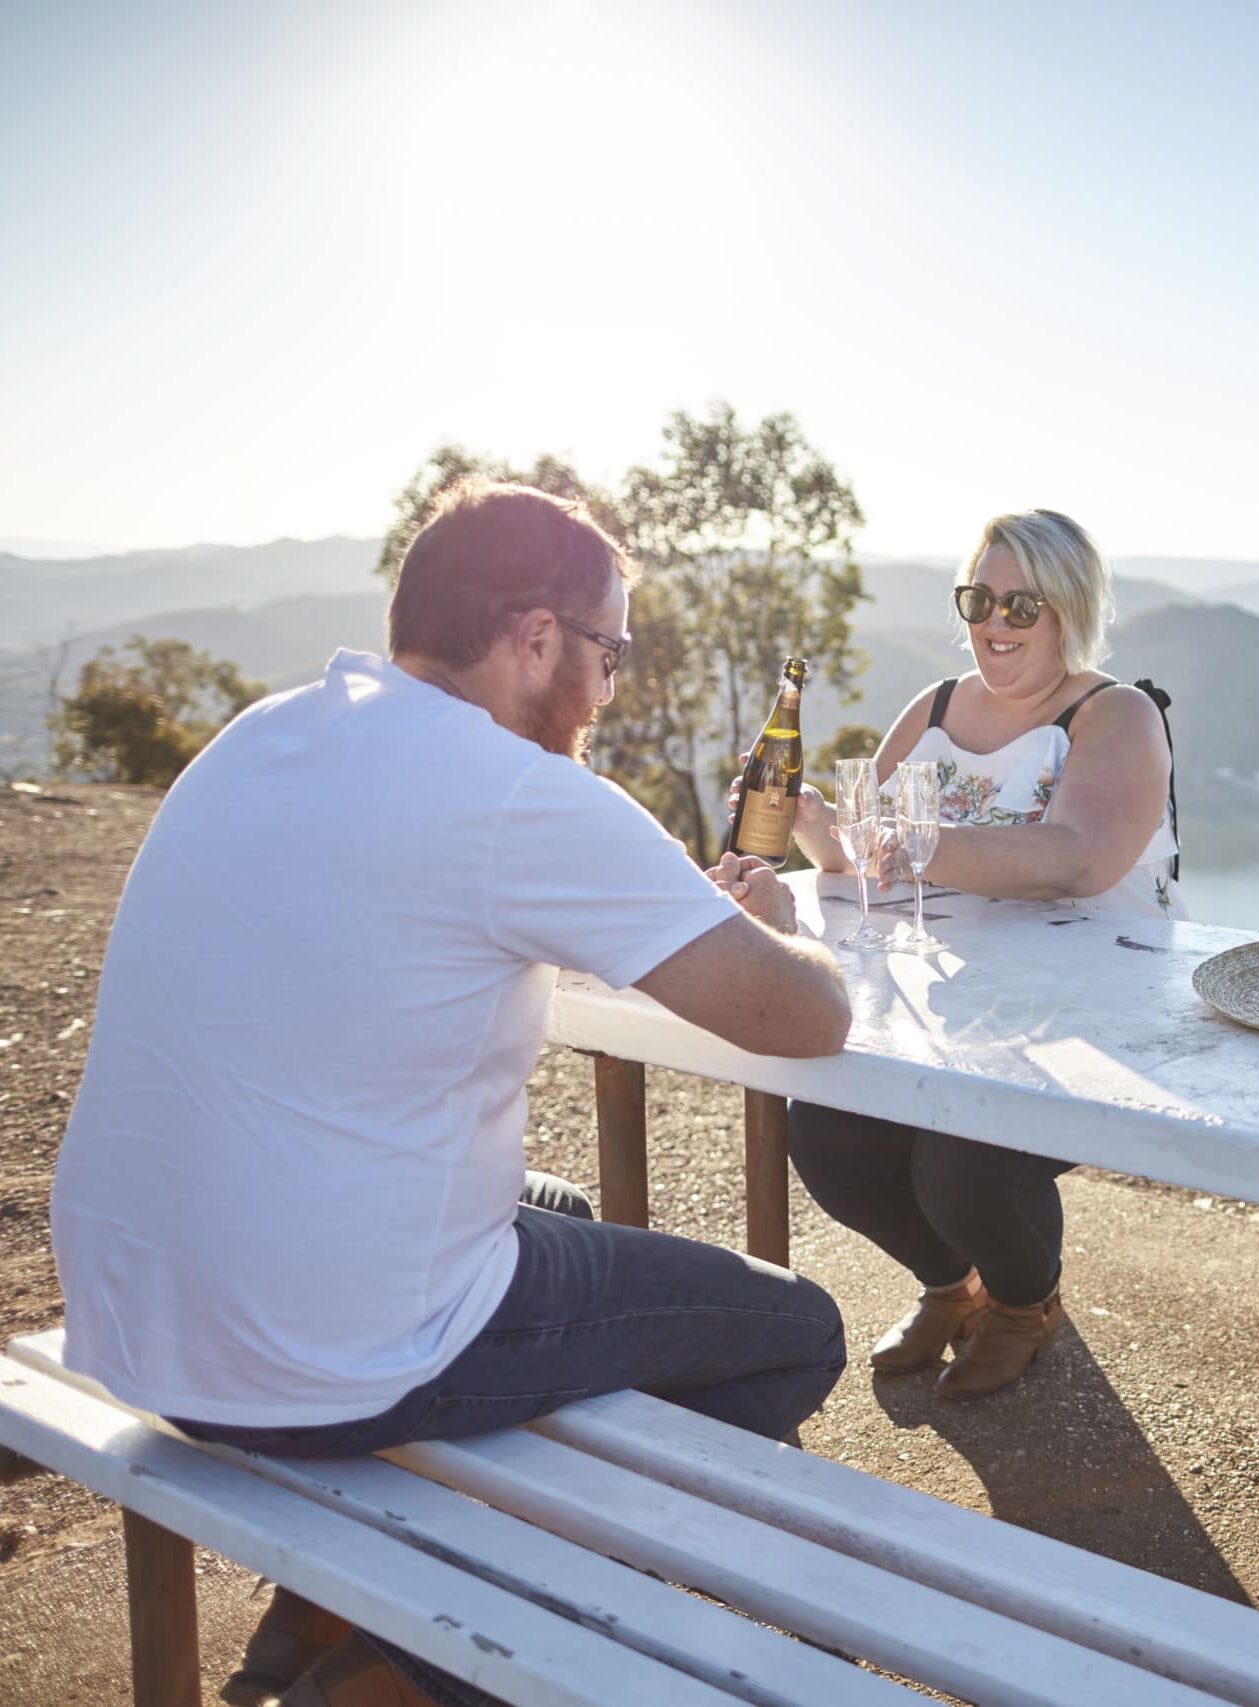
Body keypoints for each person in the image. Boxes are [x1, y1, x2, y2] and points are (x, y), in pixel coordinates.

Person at [49, 481, 856, 1707]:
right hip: (320, 1357)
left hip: (137, 1312)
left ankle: (324, 1612)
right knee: (795, 1331)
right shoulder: (519, 793)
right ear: (536, 638)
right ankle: (423, 1665)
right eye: (608, 652)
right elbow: (809, 1018)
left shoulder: (264, 731)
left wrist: (649, 907)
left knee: (567, 1208)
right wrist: (794, 924)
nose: (608, 686)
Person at [777, 510, 1179, 1400]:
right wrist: (814, 823)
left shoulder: (1114, 715)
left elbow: (1079, 857)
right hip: (950, 994)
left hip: (1085, 1005)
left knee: (961, 1158)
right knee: (826, 1128)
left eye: (1020, 604)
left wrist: (912, 837)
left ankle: (1024, 1304)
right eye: (978, 598)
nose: (993, 622)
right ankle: (951, 1286)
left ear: (1067, 608)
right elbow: (860, 852)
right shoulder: (935, 706)